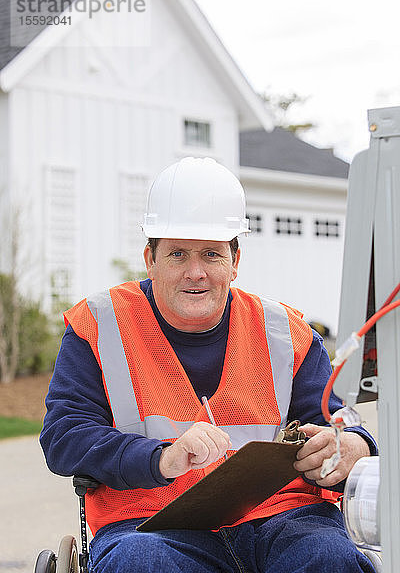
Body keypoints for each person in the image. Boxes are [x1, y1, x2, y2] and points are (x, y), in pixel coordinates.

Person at [40, 157, 377, 573]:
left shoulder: (286, 333)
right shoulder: (101, 325)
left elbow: (337, 423)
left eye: (212, 255)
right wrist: (161, 458)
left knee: (329, 558)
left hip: (283, 522)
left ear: (235, 261)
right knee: (139, 563)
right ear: (151, 258)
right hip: (150, 527)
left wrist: (353, 447)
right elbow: (63, 437)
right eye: (178, 254)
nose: (195, 273)